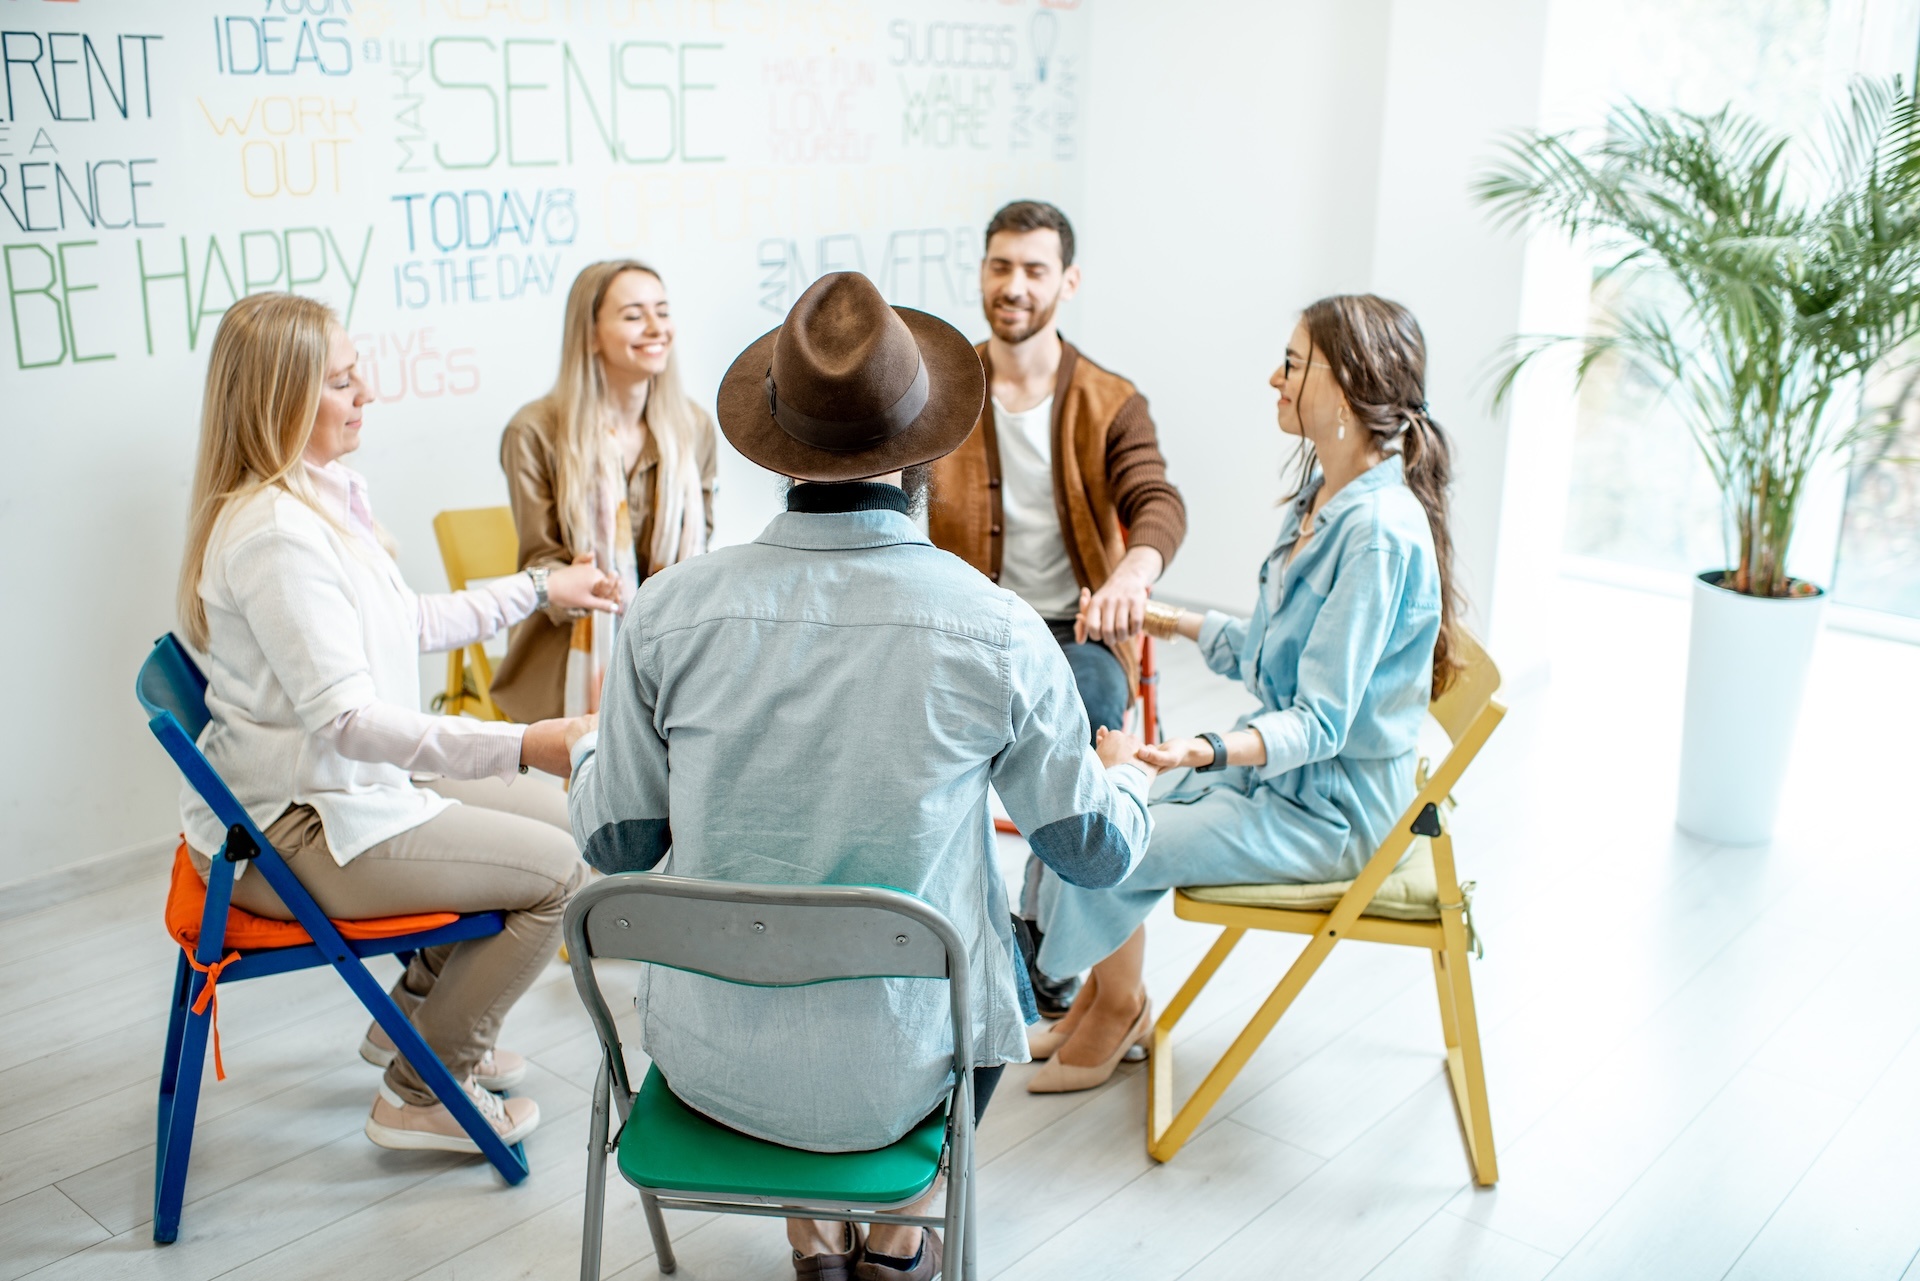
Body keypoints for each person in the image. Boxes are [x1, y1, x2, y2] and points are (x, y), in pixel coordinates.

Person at [567, 272, 1158, 1281]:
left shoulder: (667, 616)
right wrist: (1127, 777)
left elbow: (617, 844)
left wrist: (589, 754)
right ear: (926, 450)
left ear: (777, 446)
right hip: (904, 1077)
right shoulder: (998, 631)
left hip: (710, 1069)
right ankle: (893, 1240)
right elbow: (1089, 853)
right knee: (984, 953)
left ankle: (811, 1233)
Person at [176, 292, 609, 1154]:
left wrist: (537, 589)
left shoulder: (315, 501)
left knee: (570, 821)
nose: (365, 391)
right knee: (559, 871)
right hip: (296, 830)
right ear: (281, 399)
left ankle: (409, 1020)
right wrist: (524, 743)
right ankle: (422, 1086)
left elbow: (404, 623)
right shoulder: (275, 537)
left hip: (337, 791)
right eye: (340, 380)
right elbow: (348, 721)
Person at [1026, 294, 1465, 1094]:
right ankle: (1100, 997)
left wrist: (1201, 749)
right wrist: (1166, 617)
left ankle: (1107, 1003)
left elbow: (1322, 721)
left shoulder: (1374, 533)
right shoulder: (1322, 500)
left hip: (1331, 814)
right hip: (1286, 781)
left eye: (1293, 365)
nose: (1275, 376)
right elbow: (1272, 656)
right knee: (1115, 805)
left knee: (1119, 830)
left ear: (1346, 384)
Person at [927, 199, 1188, 1018]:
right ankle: (944, 920)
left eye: (1034, 269)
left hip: (1076, 629)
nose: (1014, 285)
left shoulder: (1109, 398)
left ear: (1067, 282)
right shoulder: (945, 388)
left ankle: (1041, 939)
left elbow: (1155, 498)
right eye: (1000, 265)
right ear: (982, 273)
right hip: (964, 625)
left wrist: (1132, 576)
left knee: (1082, 716)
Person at [490, 259, 719, 722]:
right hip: (569, 666)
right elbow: (542, 565)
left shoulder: (693, 426)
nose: (657, 328)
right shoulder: (533, 432)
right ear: (590, 335)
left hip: (676, 654)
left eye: (662, 311)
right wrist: (581, 584)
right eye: (634, 315)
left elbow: (703, 551)